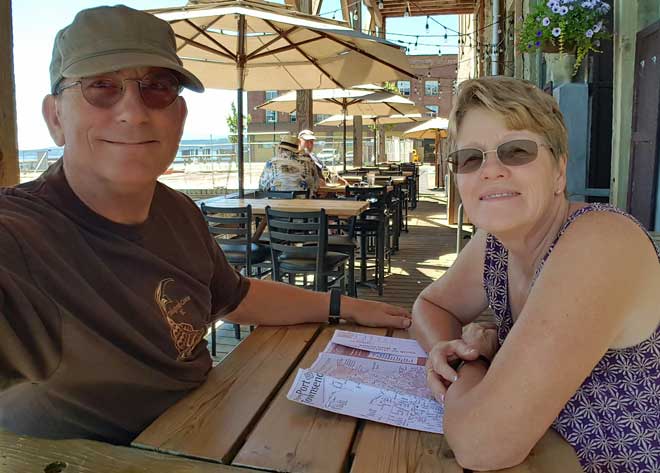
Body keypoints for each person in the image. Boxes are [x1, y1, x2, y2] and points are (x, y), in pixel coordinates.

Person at [0, 5, 411, 445]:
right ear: (55, 117)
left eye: (158, 87)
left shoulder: (178, 210)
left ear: (179, 114)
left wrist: (344, 306)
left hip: (210, 427)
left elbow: (236, 296)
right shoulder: (22, 235)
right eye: (102, 86)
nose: (134, 112)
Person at [411, 76, 659, 472]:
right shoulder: (494, 244)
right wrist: (457, 352)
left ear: (559, 171)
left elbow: (482, 444)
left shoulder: (601, 242)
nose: (490, 170)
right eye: (470, 158)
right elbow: (430, 304)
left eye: (516, 151)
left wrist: (471, 361)